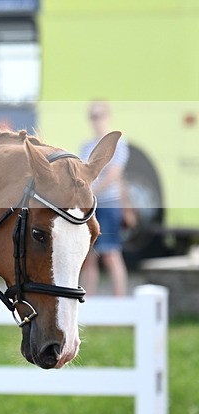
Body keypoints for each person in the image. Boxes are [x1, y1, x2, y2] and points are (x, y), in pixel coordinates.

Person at [79, 101, 130, 296]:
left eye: (99, 115)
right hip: (92, 206)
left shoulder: (118, 145)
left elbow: (114, 175)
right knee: (89, 257)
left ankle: (120, 303)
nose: (96, 120)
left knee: (110, 253)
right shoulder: (86, 146)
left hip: (108, 204)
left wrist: (91, 191)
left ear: (107, 116)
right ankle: (87, 302)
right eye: (92, 115)